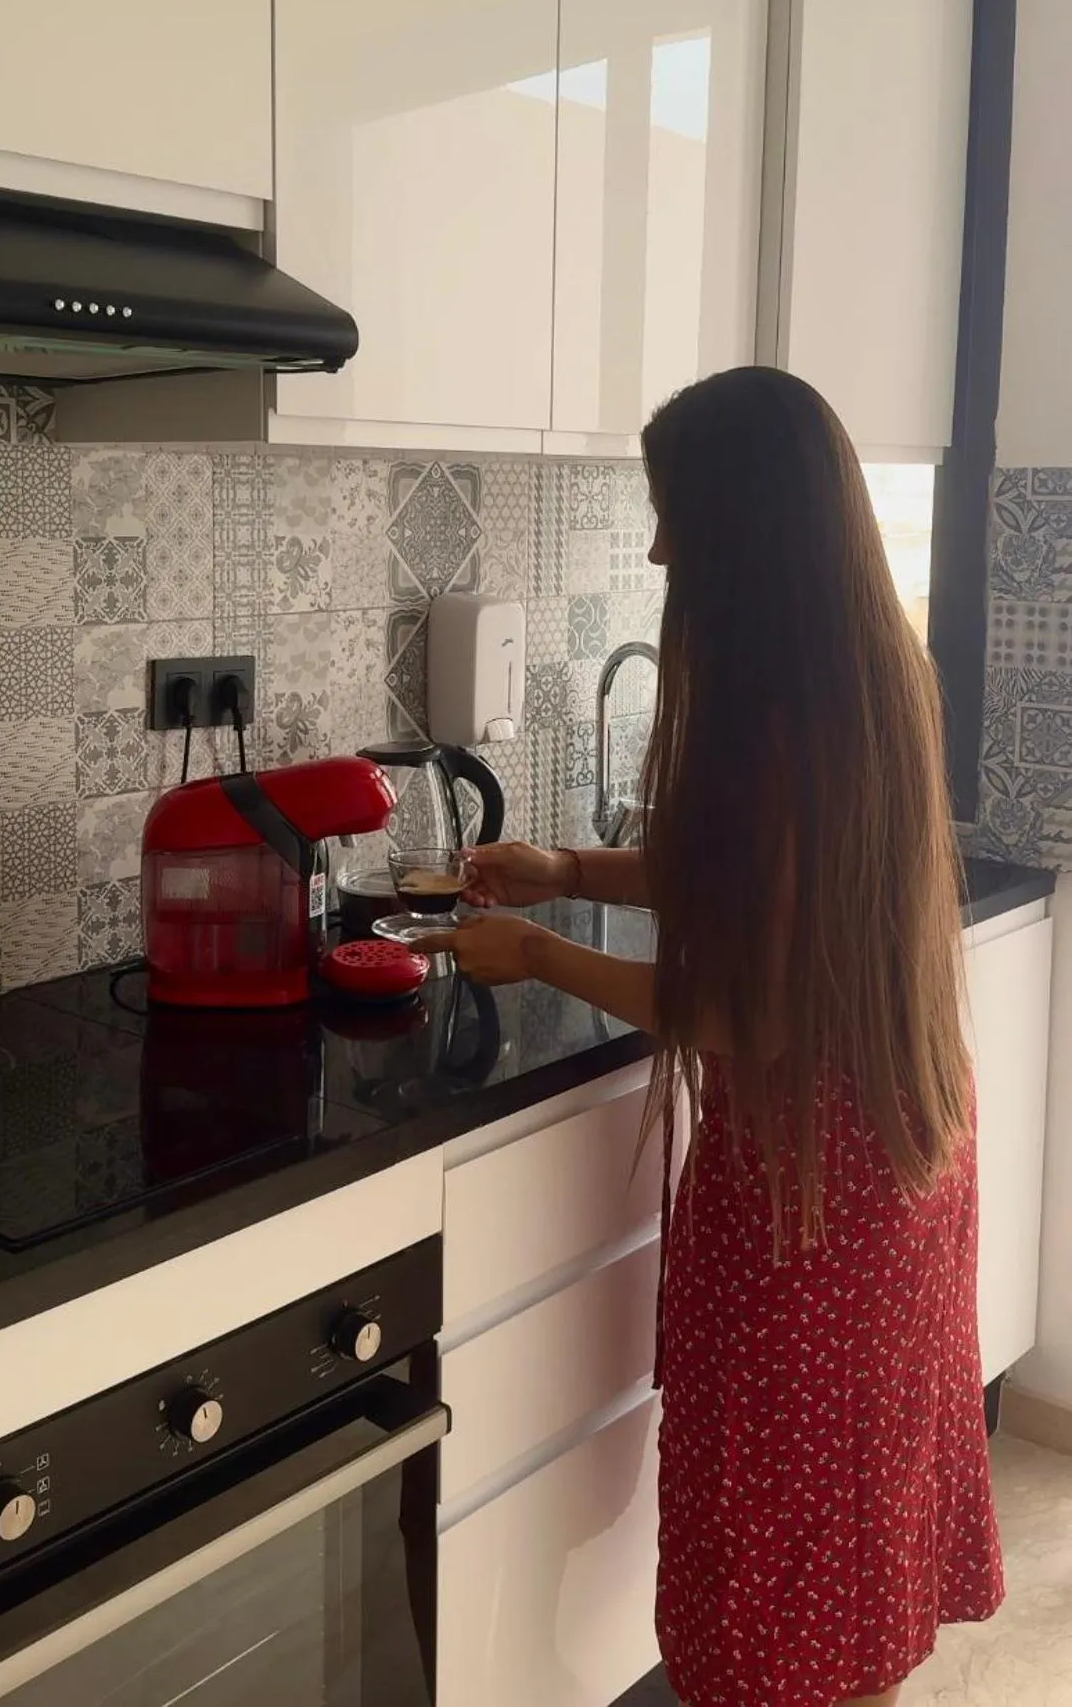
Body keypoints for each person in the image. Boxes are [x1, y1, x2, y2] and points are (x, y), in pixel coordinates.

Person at [420, 368, 1003, 1707]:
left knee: (781, 1576)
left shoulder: (781, 724)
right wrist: (570, 867)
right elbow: (755, 886)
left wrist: (537, 953)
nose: (656, 548)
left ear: (738, 527)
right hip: (888, 1163)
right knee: (841, 1551)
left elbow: (753, 1011)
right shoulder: (859, 676)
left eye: (670, 511)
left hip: (815, 1200)